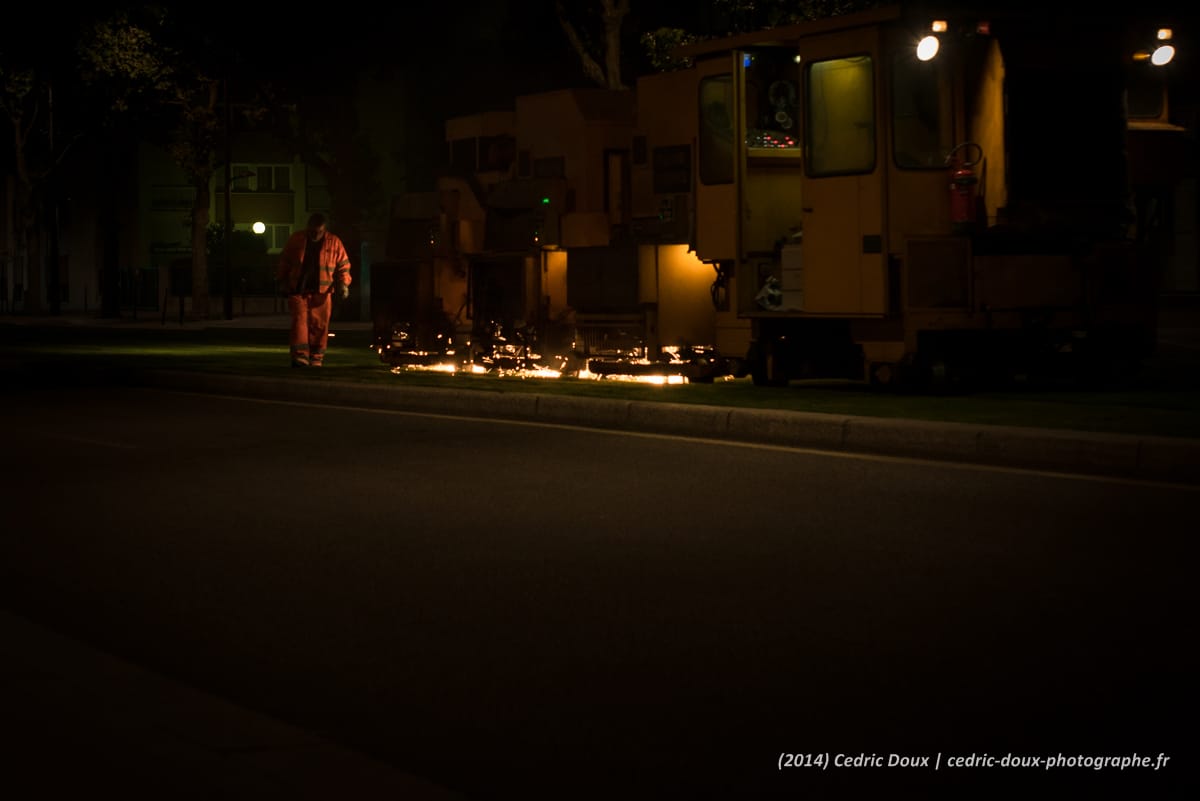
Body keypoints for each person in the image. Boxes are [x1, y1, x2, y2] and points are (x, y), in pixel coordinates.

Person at [276, 212, 352, 367]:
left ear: (325, 230)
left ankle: (316, 357)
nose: (316, 235)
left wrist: (343, 284)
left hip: (322, 292)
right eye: (313, 232)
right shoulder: (296, 240)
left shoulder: (334, 243)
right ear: (308, 228)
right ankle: (300, 356)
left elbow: (343, 267)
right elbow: (285, 262)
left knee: (320, 325)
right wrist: (282, 281)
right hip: (298, 290)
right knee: (300, 323)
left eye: (319, 232)